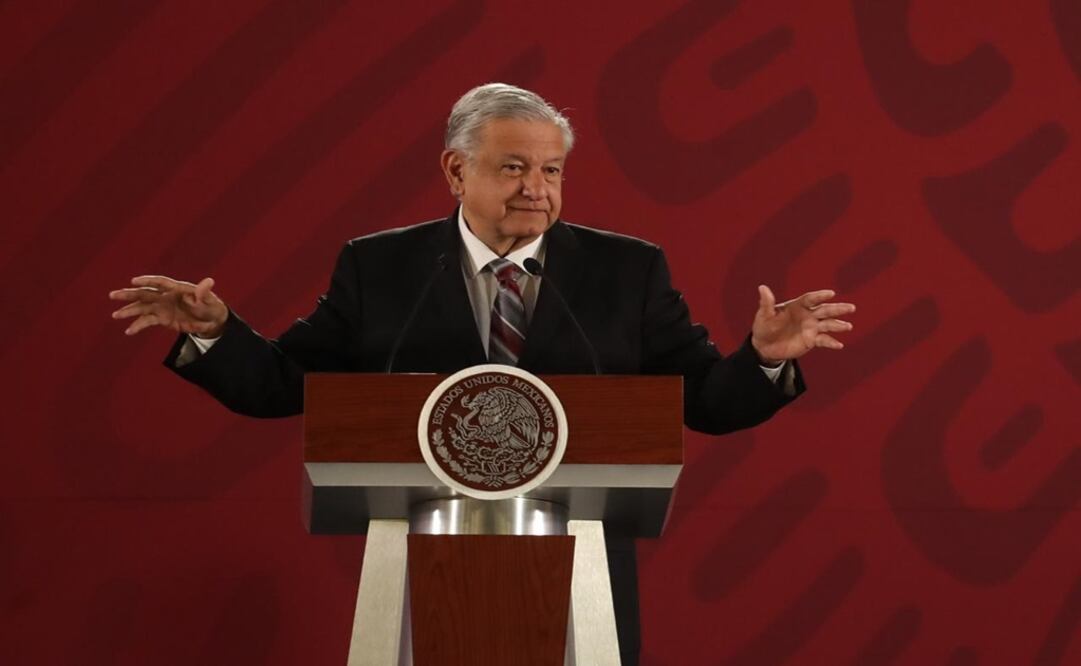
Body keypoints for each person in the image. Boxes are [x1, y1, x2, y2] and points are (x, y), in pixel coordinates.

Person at [108, 83, 855, 662]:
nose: (537, 187)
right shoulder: (381, 267)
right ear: (454, 170)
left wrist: (760, 359)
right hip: (420, 561)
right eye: (514, 167)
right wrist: (215, 334)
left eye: (551, 169)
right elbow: (283, 385)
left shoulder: (626, 271)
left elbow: (704, 401)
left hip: (580, 564)